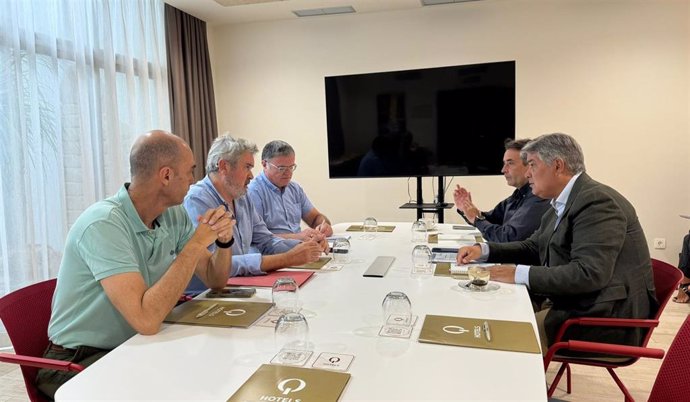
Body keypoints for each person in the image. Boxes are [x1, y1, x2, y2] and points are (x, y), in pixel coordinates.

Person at [36, 130, 235, 399]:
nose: (193, 179)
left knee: (214, 374)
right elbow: (147, 320)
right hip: (77, 361)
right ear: (165, 176)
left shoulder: (172, 214)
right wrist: (196, 245)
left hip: (134, 344)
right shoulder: (104, 224)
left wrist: (223, 242)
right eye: (190, 171)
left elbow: (215, 280)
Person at [457, 133, 657, 353]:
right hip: (577, 305)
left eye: (532, 164)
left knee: (497, 337)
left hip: (605, 319)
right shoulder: (563, 200)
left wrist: (517, 274)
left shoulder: (597, 202)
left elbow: (588, 274)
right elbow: (532, 246)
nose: (528, 172)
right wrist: (483, 251)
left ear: (558, 166)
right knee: (491, 314)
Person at [183, 135, 323, 293]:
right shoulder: (197, 200)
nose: (251, 175)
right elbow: (217, 267)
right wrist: (288, 258)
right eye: (247, 167)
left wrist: (307, 247)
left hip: (237, 287)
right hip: (201, 297)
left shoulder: (242, 197)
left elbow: (267, 241)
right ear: (223, 166)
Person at [454, 138, 549, 242]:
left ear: (530, 165)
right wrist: (467, 209)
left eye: (510, 163)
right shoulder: (519, 194)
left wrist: (476, 219)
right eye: (504, 164)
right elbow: (492, 219)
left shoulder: (539, 196)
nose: (503, 170)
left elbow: (509, 238)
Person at [247, 140, 333, 241]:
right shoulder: (254, 192)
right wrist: (298, 237)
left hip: (300, 248)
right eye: (281, 168)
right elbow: (256, 237)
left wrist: (323, 225)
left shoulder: (294, 189)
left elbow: (315, 218)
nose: (288, 173)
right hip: (274, 254)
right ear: (265, 164)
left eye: (291, 167)